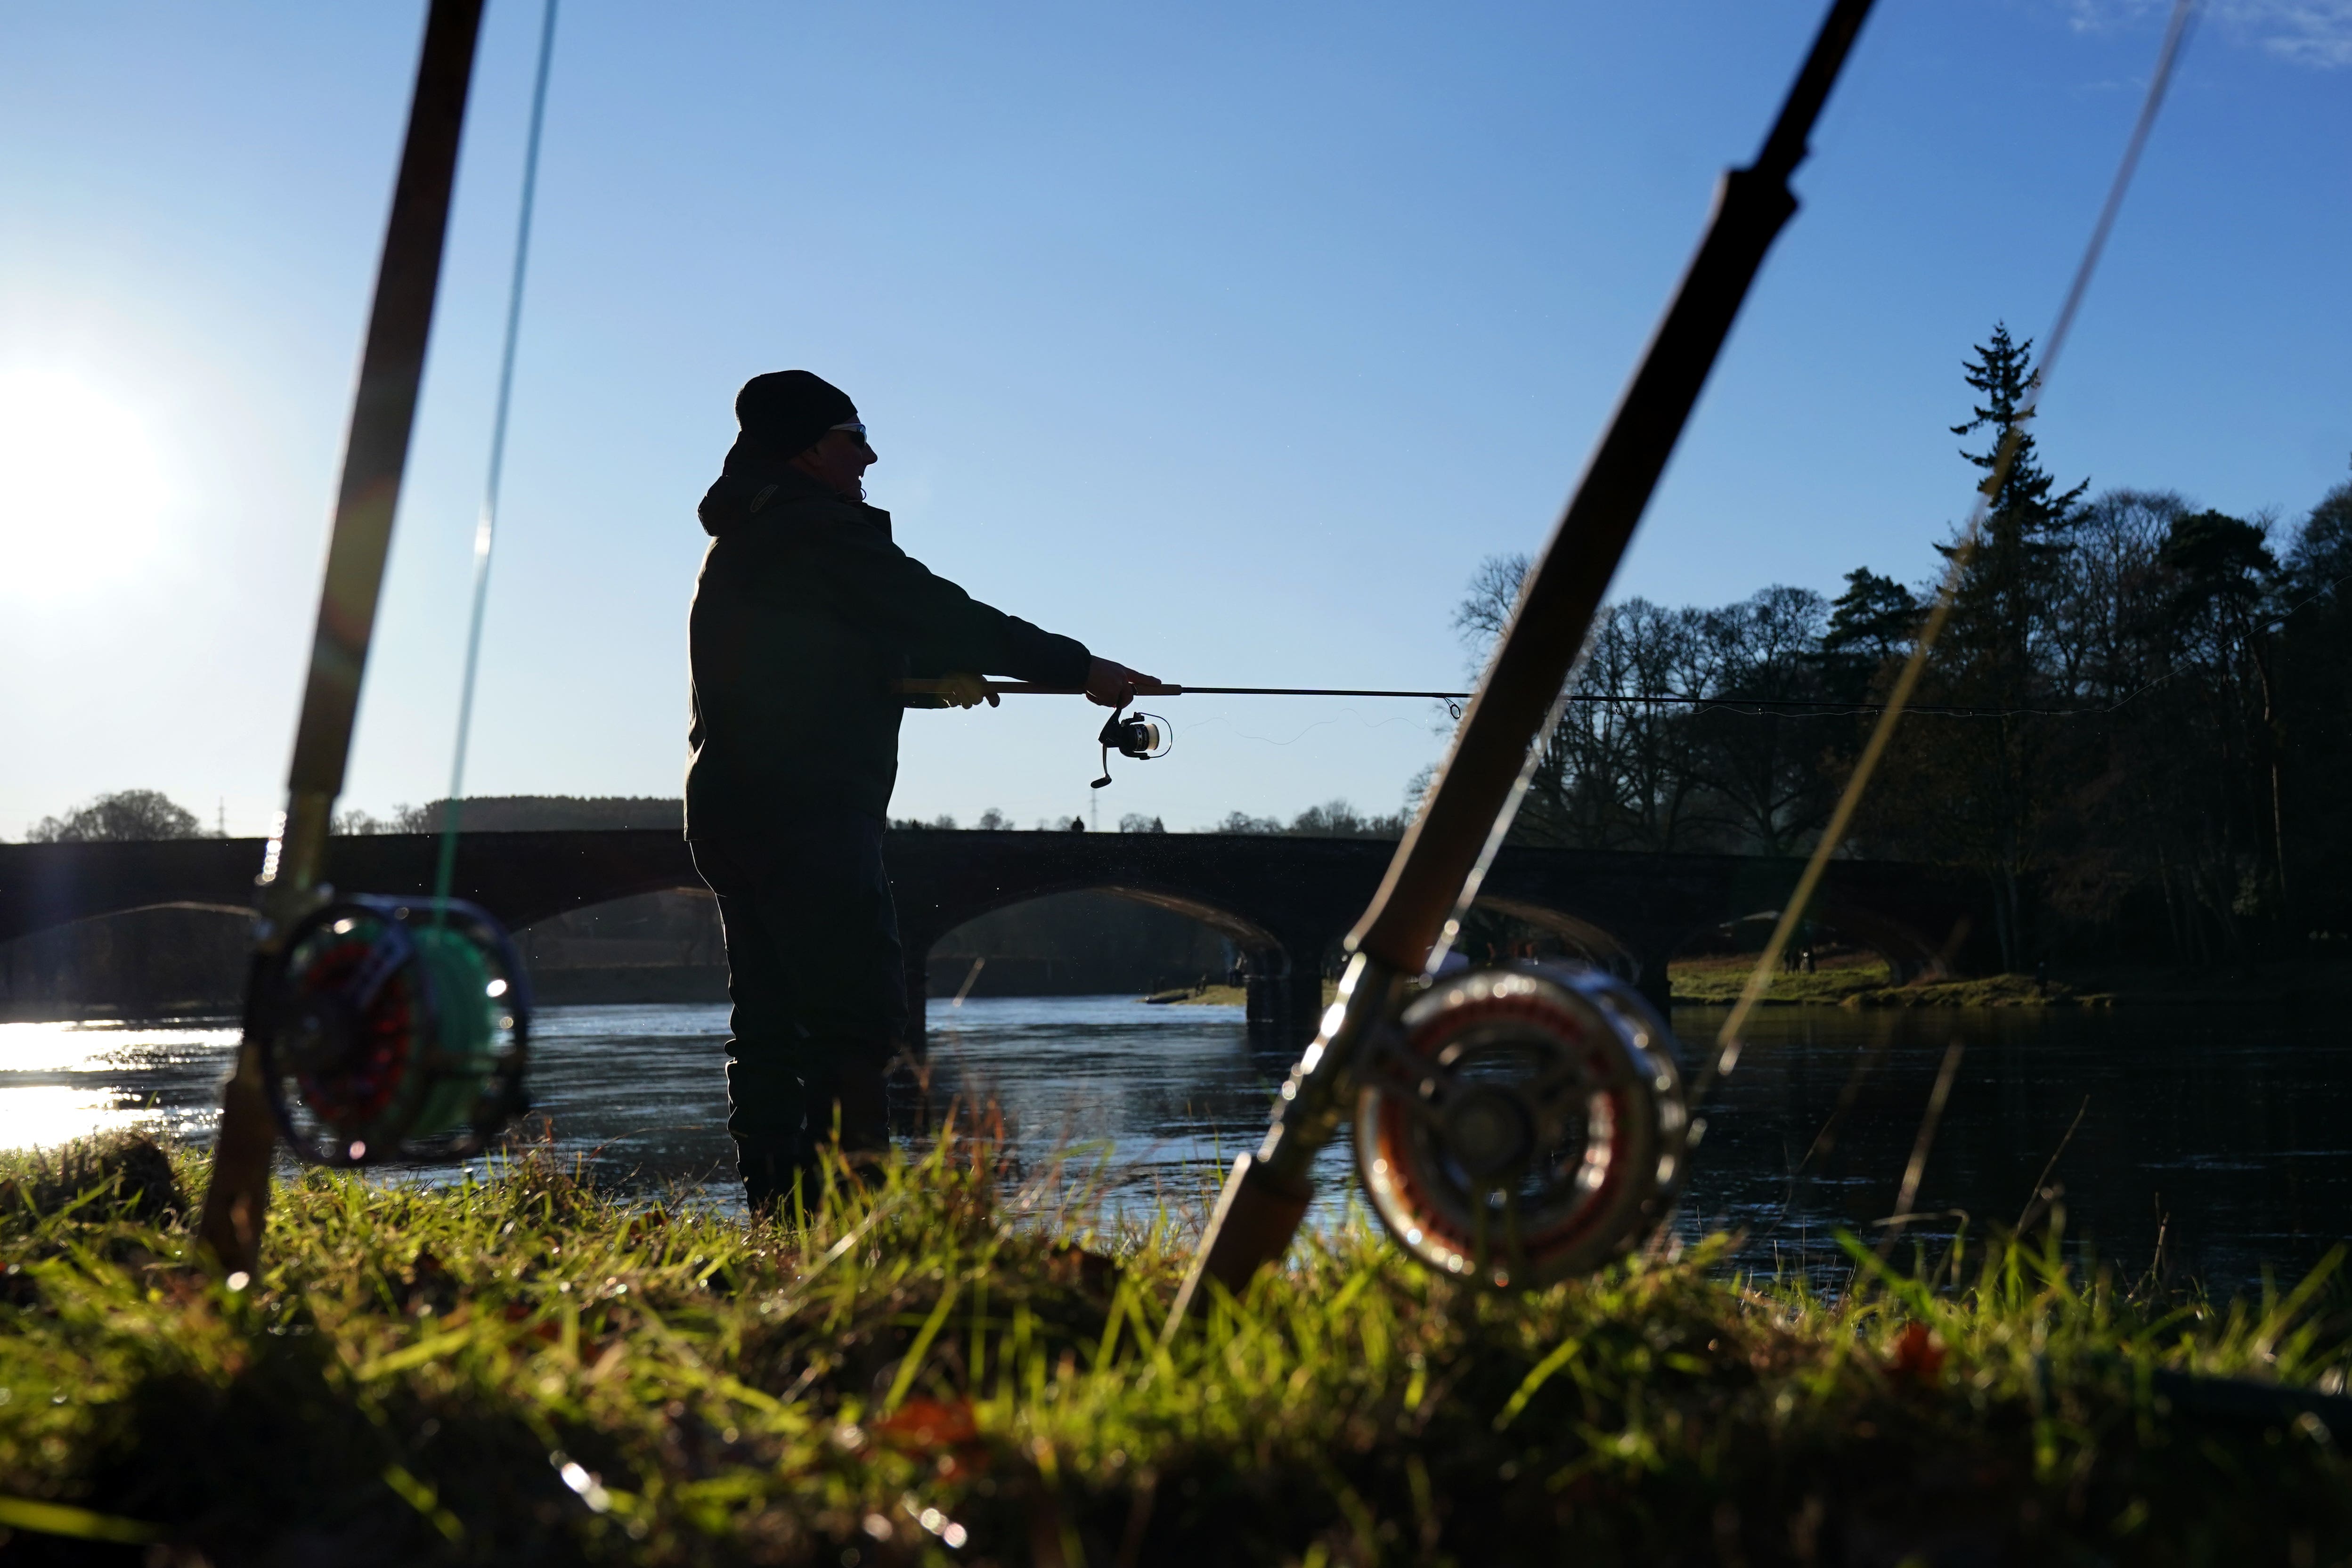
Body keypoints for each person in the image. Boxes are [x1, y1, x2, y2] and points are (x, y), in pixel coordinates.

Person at [686, 369, 1151, 1213]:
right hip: (809, 809)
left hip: (727, 806)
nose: (868, 454)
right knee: (853, 1014)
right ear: (804, 449)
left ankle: (776, 1216)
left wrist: (918, 683)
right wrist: (1080, 668)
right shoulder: (814, 530)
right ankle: (842, 1222)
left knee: (767, 1022)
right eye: (850, 436)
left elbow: (796, 669)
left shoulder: (747, 541)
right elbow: (939, 609)